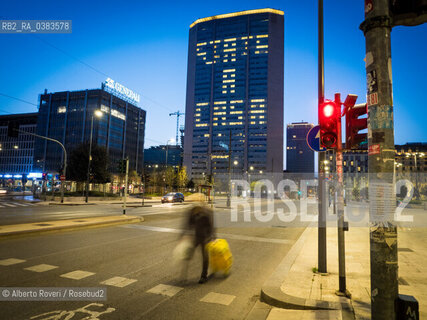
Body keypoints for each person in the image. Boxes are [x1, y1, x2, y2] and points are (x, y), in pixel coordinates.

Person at [185, 205, 214, 284]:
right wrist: (186, 235)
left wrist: (212, 237)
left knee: (205, 257)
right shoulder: (192, 212)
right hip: (197, 236)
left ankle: (203, 276)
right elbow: (189, 224)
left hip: (205, 237)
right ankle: (184, 274)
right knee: (188, 253)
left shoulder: (206, 213)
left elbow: (210, 226)